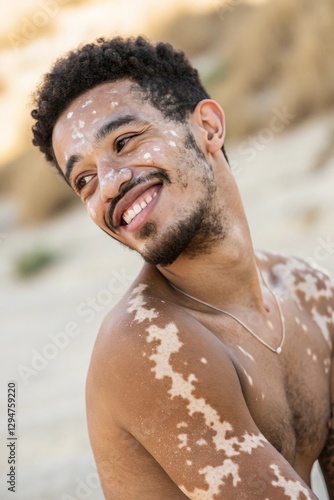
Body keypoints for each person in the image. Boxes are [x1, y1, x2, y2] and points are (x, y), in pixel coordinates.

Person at [31, 36, 333, 499]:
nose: (109, 185)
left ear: (208, 127)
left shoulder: (310, 293)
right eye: (85, 180)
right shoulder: (146, 345)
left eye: (125, 141)